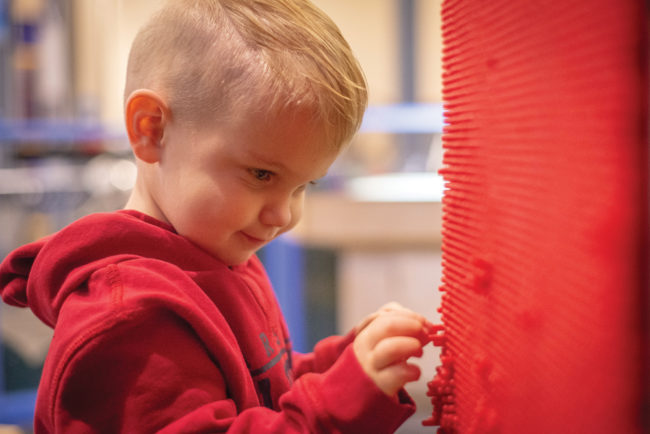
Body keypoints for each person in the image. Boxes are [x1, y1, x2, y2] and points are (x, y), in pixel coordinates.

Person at [0, 0, 434, 432]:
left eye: (304, 185)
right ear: (151, 129)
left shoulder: (218, 256)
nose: (283, 215)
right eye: (261, 174)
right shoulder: (128, 320)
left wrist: (343, 363)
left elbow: (262, 385)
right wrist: (337, 404)